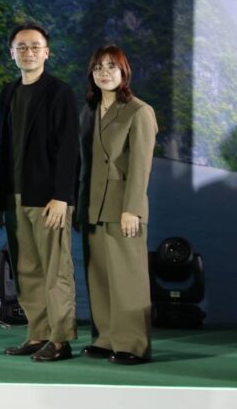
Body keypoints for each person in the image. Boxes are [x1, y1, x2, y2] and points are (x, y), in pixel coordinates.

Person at [0, 21, 79, 362]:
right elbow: (3, 149)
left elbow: (69, 149)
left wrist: (62, 197)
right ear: (12, 54)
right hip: (14, 197)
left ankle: (60, 340)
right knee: (26, 270)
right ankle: (38, 333)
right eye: (21, 47)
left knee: (56, 270)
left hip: (48, 199)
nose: (28, 52)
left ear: (47, 52)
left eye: (34, 46)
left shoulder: (60, 92)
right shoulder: (9, 92)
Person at [78, 45, 156, 365]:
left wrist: (132, 209)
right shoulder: (89, 110)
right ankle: (106, 338)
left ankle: (133, 344)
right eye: (98, 67)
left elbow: (141, 166)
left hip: (123, 207)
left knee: (128, 279)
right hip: (92, 205)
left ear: (124, 72)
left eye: (111, 66)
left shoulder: (139, 111)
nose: (104, 72)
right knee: (98, 277)